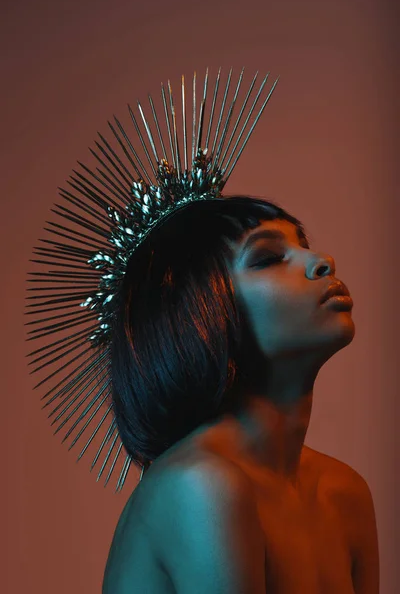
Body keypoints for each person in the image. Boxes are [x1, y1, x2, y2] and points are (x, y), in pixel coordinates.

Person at [102, 195, 380, 593]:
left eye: (302, 246)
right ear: (198, 311)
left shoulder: (344, 493)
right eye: (268, 258)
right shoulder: (201, 485)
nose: (321, 261)